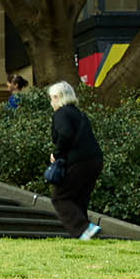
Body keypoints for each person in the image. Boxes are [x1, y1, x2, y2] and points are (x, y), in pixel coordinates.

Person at [47, 81, 103, 239]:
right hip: (95, 159)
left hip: (77, 160)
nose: (51, 103)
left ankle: (83, 229)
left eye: (52, 98)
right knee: (79, 198)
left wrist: (56, 155)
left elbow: (65, 134)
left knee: (60, 196)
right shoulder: (79, 113)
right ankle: (86, 233)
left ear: (57, 97)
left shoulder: (61, 113)